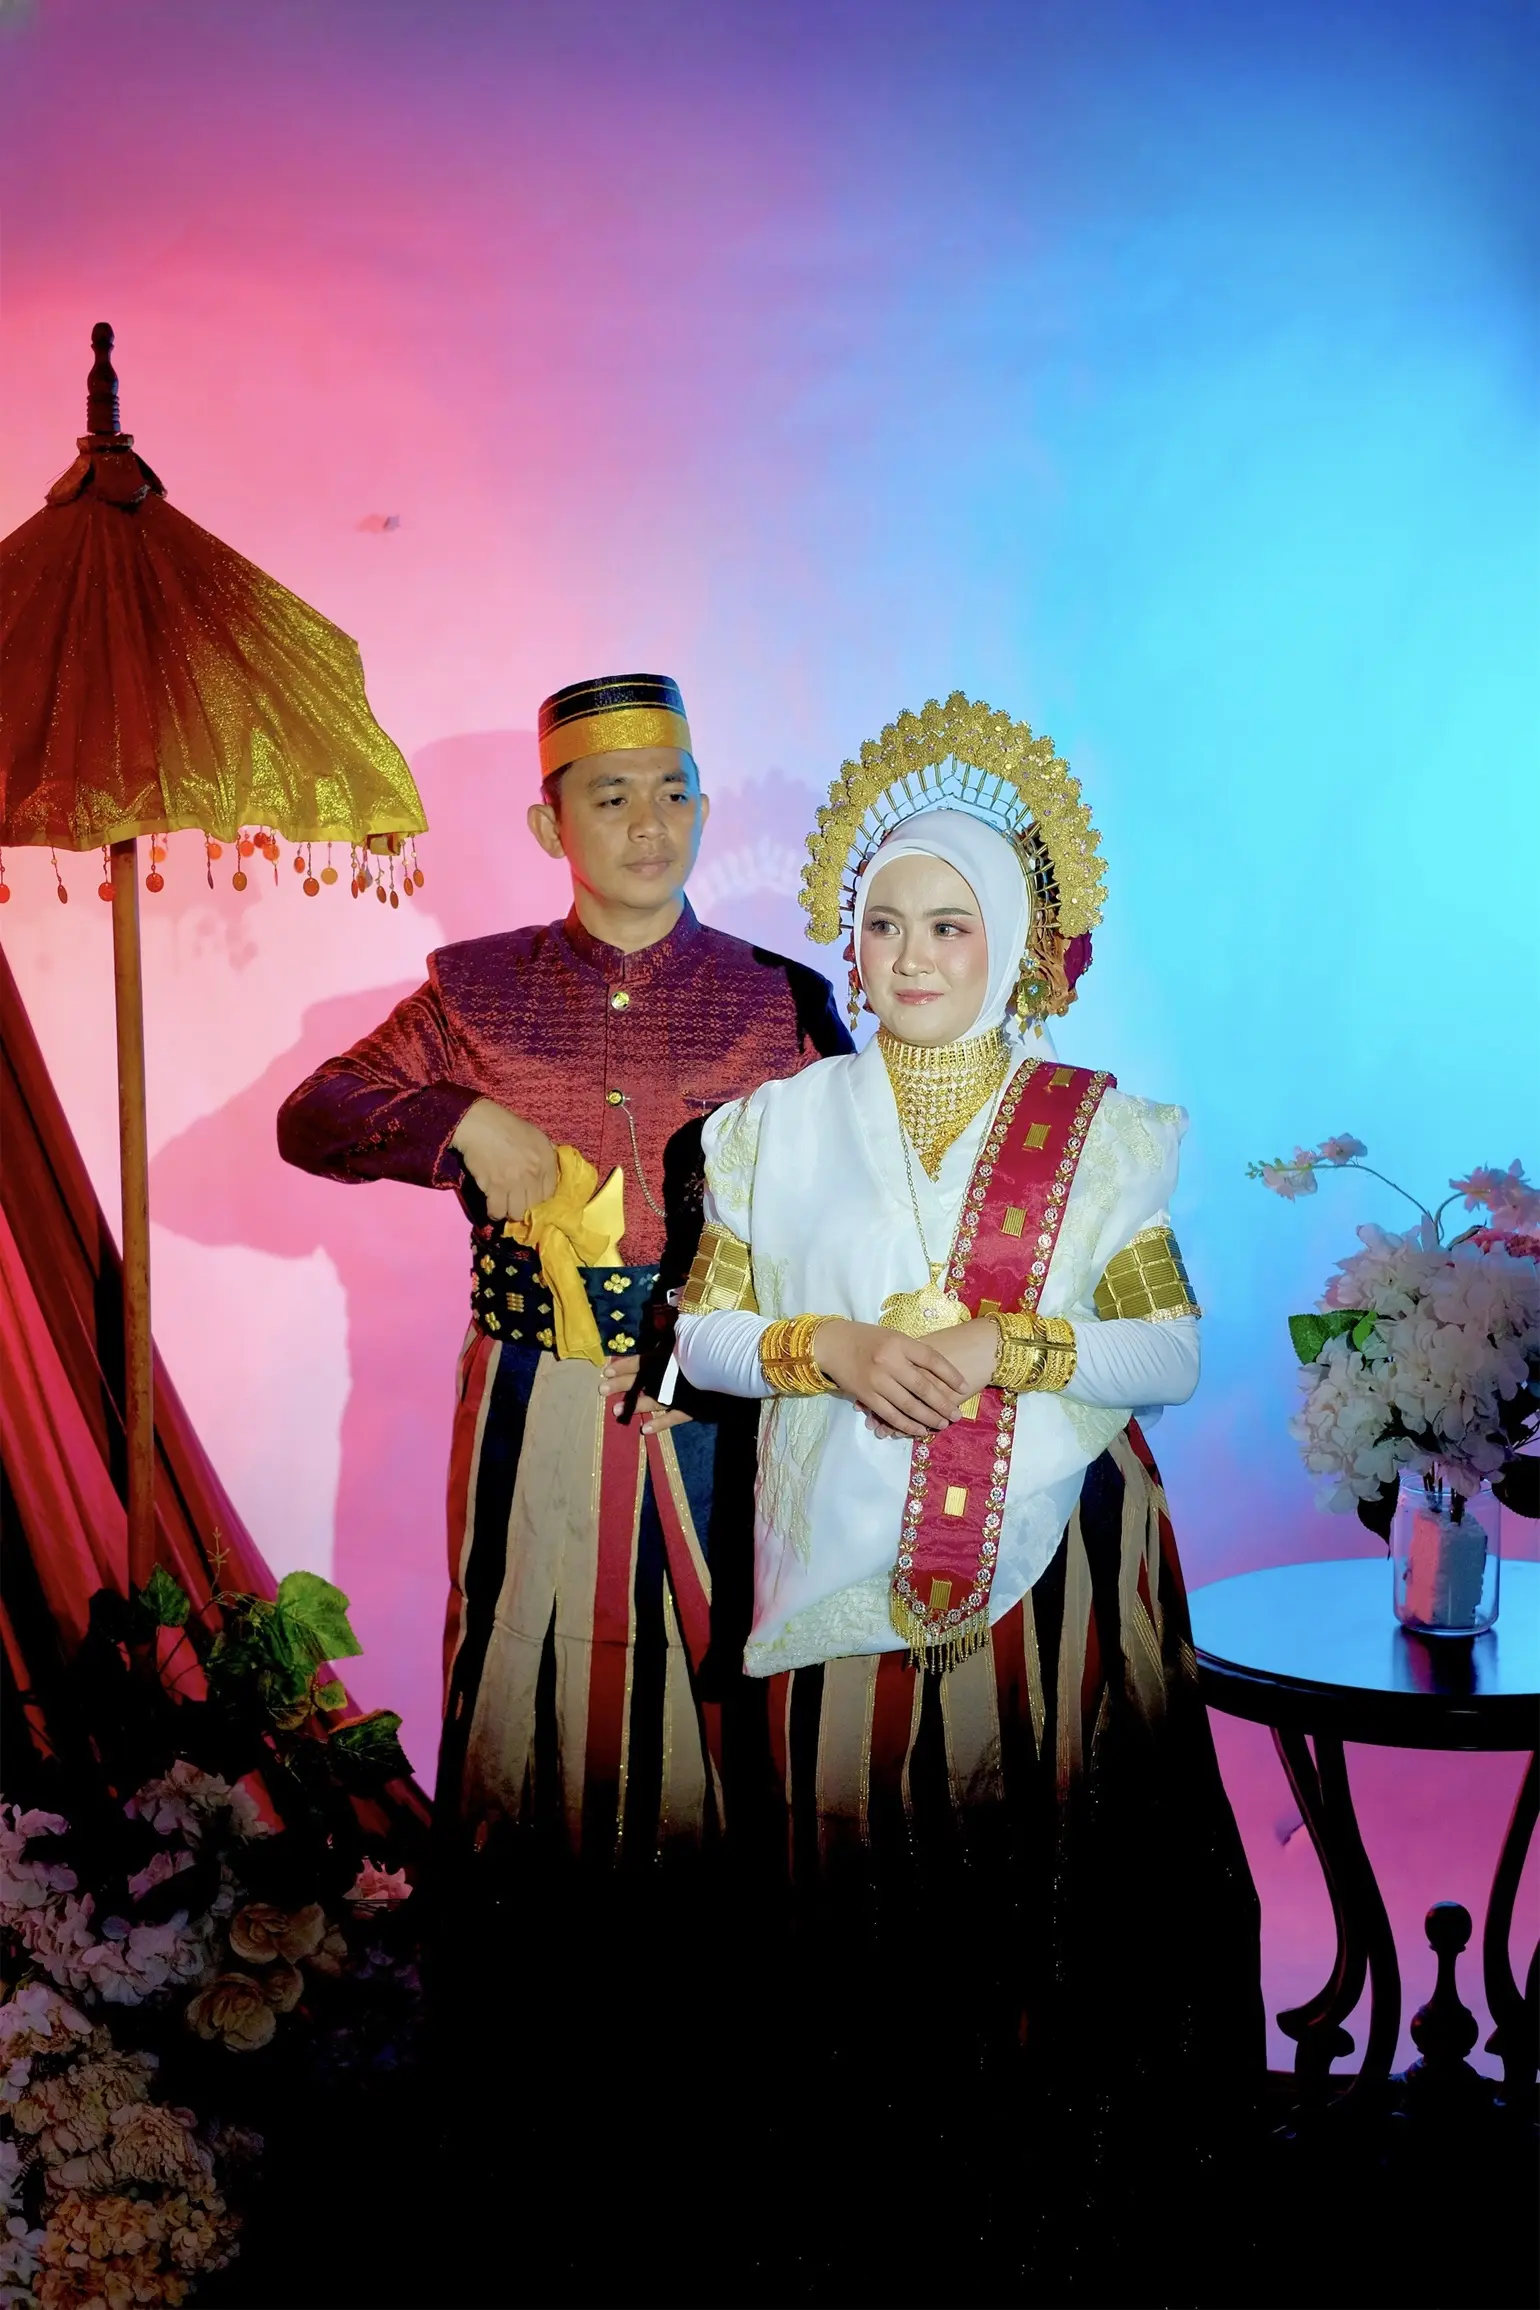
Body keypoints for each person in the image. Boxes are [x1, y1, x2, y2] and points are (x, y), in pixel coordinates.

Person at [671, 697, 1262, 2292]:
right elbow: (705, 1335)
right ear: (848, 945)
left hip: (1059, 1570)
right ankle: (872, 2217)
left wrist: (1014, 1343)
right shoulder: (770, 1129)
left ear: (1014, 943)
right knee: (854, 1881)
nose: (913, 955)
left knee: (1040, 1884)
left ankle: (1047, 2217)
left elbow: (1171, 1349)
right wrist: (833, 1346)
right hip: (836, 1561)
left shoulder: (1100, 1135)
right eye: (884, 923)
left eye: (950, 923)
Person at [276, 673, 849, 1870]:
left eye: (673, 794)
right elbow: (314, 1114)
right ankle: (532, 1949)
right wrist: (461, 1117)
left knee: (730, 1655)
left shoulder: (777, 997)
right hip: (529, 1388)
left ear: (703, 809)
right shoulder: (473, 990)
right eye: (611, 797)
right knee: (526, 1659)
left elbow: (852, 1200)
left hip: (720, 1397)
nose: (648, 825)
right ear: (551, 826)